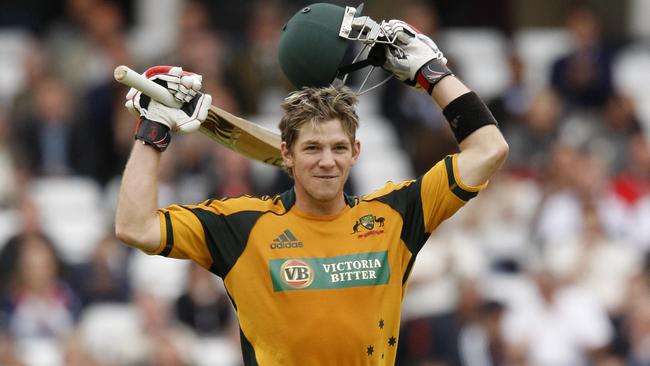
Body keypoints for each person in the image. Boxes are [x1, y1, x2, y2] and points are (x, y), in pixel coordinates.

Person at [115, 4, 508, 365]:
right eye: (312, 148)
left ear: (356, 152)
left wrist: (431, 72)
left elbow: (489, 149)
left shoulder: (395, 214)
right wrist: (153, 130)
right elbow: (136, 227)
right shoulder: (241, 225)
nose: (326, 161)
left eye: (338, 148)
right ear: (286, 154)